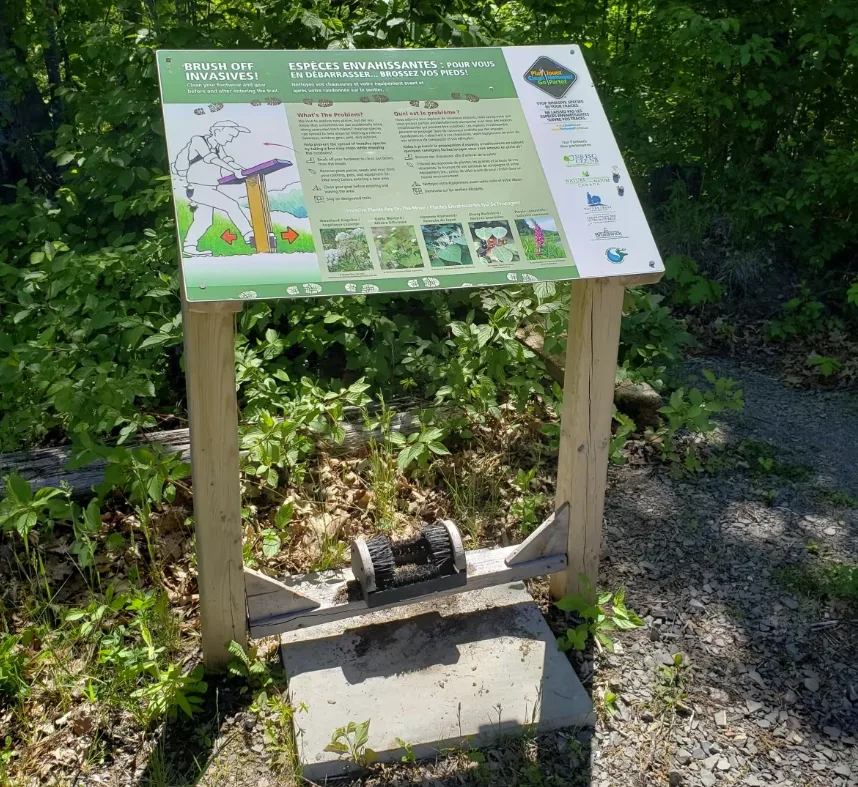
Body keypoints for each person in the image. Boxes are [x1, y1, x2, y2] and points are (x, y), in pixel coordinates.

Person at [172, 119, 254, 256]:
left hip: (207, 188)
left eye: (232, 137)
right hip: (197, 187)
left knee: (204, 220)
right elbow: (210, 158)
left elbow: (226, 159)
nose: (230, 140)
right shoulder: (198, 141)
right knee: (231, 205)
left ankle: (189, 246)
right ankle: (249, 235)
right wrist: (235, 171)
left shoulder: (217, 146)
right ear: (217, 131)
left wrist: (241, 170)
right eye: (229, 135)